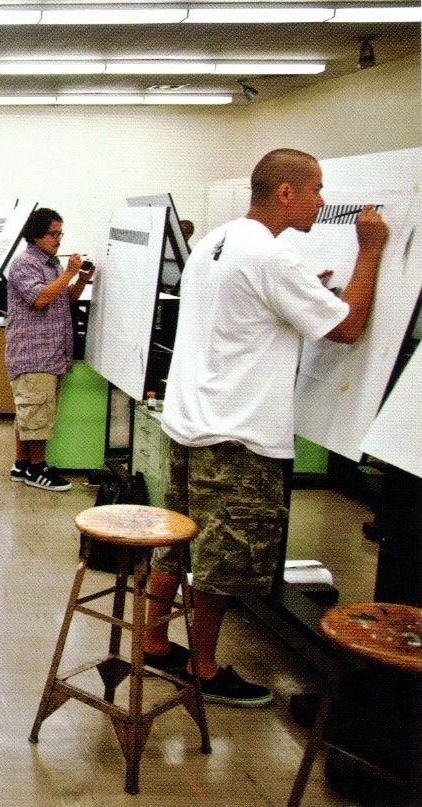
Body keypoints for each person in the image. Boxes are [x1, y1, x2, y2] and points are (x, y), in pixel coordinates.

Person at [141, 149, 387, 707]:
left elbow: (251, 303)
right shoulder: (273, 258)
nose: (322, 203)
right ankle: (203, 669)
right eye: (316, 190)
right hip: (238, 436)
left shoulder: (220, 240)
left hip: (193, 423)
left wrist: (304, 288)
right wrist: (368, 251)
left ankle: (154, 643)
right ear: (285, 194)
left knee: (179, 546)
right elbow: (346, 328)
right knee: (222, 562)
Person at [4, 208, 94, 492]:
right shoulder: (24, 264)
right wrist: (68, 272)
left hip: (50, 352)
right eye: (53, 234)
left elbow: (62, 299)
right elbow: (40, 298)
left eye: (60, 233)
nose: (58, 239)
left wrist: (78, 279)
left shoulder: (52, 263)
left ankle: (21, 463)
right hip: (34, 353)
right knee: (36, 413)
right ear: (35, 235)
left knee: (29, 412)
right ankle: (36, 469)